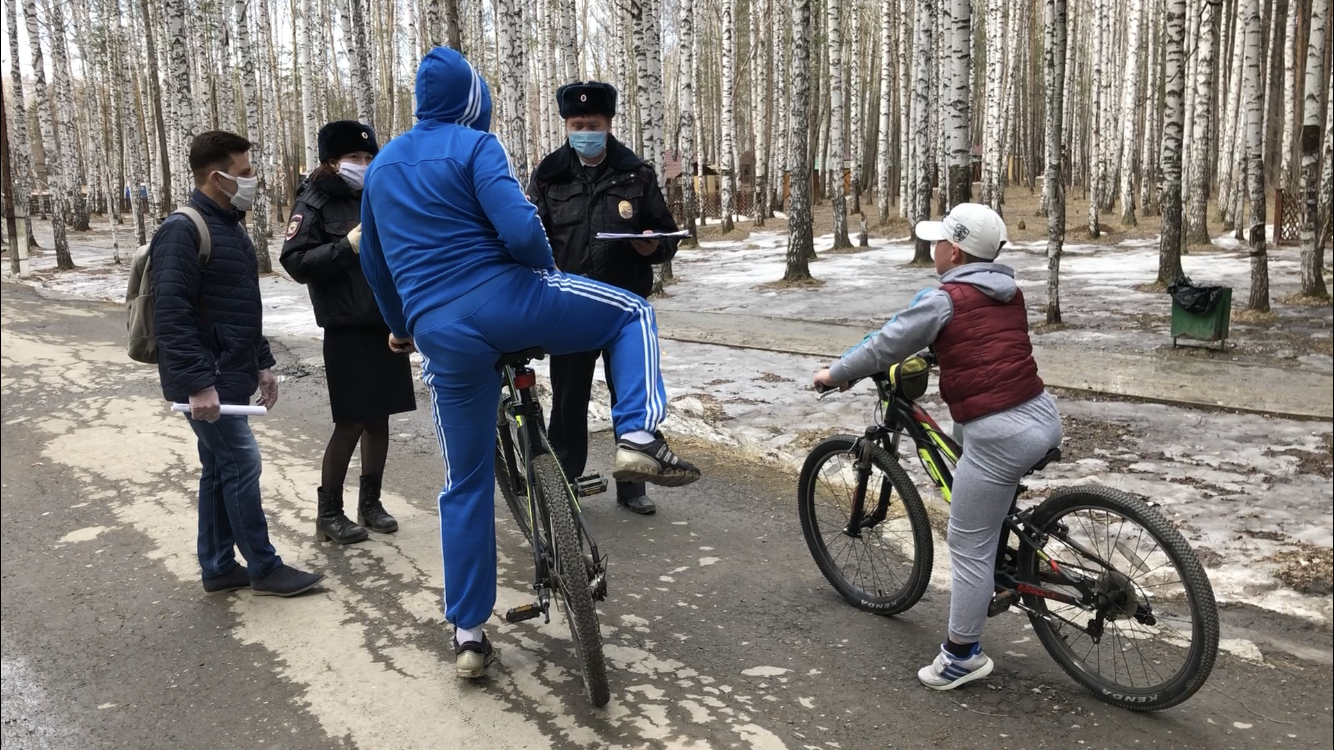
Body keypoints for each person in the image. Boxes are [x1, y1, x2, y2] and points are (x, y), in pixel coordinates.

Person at [356, 47, 701, 678]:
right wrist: (544, 282)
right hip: (507, 302)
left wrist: (404, 329)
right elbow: (520, 231)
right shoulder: (475, 147)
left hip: (439, 332)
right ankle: (639, 436)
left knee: (464, 483)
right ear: (472, 101)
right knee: (631, 314)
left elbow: (377, 267)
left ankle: (467, 634)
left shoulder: (381, 169)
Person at [813, 203, 1062, 691]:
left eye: (938, 242)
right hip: (1040, 415)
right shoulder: (1008, 292)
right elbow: (981, 342)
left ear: (955, 250)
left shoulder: (943, 299)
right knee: (967, 446)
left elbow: (885, 344)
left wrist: (835, 373)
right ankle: (1007, 545)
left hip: (1002, 433)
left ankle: (962, 656)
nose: (933, 249)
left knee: (968, 544)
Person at [152, 130, 323, 597]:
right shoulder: (183, 229)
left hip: (229, 372)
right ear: (217, 177)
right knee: (242, 463)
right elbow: (171, 313)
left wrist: (262, 364)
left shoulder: (229, 225)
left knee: (218, 467)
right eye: (244, 173)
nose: (252, 181)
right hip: (208, 380)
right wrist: (197, 385)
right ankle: (264, 568)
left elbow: (239, 307)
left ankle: (218, 565)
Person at [526, 81, 681, 516]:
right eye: (577, 124)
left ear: (609, 124)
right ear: (566, 125)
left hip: (622, 308)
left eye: (592, 124)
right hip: (570, 307)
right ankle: (566, 482)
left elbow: (665, 233)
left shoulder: (637, 173)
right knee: (568, 397)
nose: (585, 131)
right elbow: (530, 234)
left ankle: (632, 486)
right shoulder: (548, 174)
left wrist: (654, 245)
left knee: (627, 394)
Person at [281, 121, 416, 545]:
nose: (362, 165)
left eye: (367, 157)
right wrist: (347, 246)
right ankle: (329, 512)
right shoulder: (314, 200)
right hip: (345, 325)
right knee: (352, 421)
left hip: (386, 322)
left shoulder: (378, 193)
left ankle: (370, 503)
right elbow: (295, 261)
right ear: (331, 162)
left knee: (380, 419)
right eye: (352, 159)